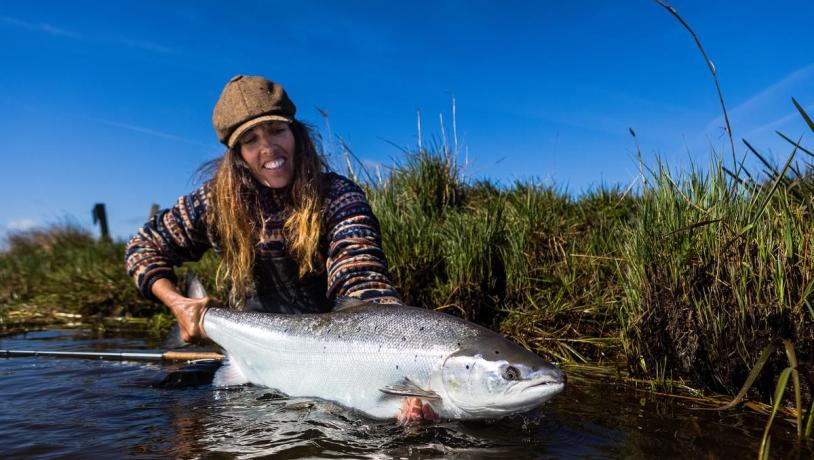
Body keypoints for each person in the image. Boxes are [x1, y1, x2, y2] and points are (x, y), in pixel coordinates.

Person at [125, 75, 432, 422]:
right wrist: (179, 303)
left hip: (328, 357)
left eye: (276, 130)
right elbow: (142, 247)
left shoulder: (338, 196)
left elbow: (361, 273)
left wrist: (397, 365)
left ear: (297, 135)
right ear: (238, 155)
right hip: (248, 353)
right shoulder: (213, 203)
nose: (268, 148)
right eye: (251, 140)